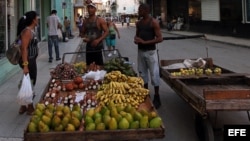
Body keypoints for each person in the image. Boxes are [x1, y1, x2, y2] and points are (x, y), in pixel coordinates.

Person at [134, 3, 163, 109]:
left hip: (151, 52)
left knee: (154, 74)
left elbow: (160, 38)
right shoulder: (138, 23)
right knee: (142, 74)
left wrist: (145, 42)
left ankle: (157, 96)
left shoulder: (153, 22)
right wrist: (136, 40)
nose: (138, 11)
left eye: (140, 10)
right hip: (141, 52)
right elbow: (137, 35)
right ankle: (146, 94)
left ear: (146, 10)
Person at [17, 11, 39, 115]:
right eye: (37, 18)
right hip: (28, 61)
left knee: (27, 80)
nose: (38, 19)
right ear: (33, 20)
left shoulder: (30, 31)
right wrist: (25, 66)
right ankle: (29, 106)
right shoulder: (27, 32)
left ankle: (23, 106)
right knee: (31, 81)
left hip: (31, 60)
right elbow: (24, 49)